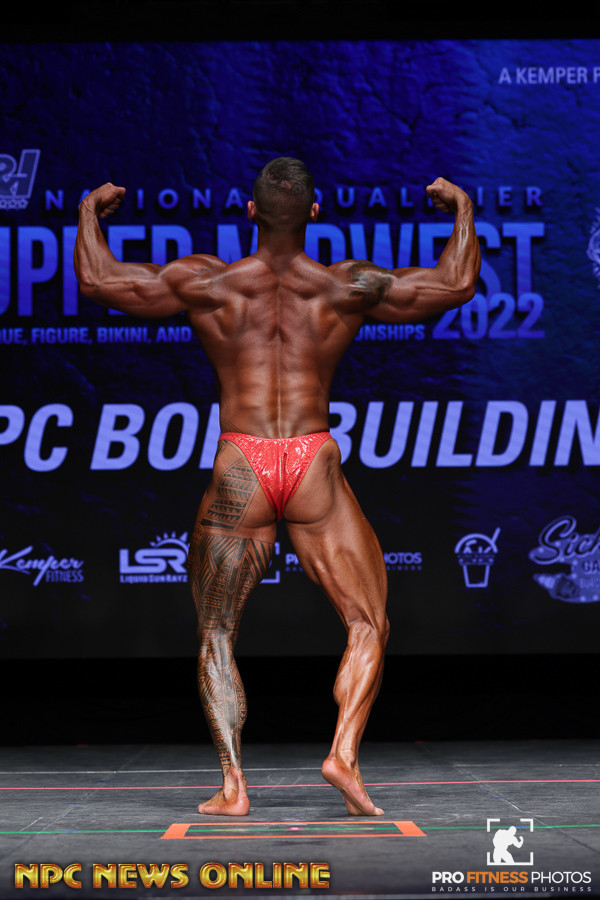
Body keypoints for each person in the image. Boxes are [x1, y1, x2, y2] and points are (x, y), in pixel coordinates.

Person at [74, 157, 480, 817]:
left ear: (250, 211)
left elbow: (98, 279)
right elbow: (455, 283)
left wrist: (90, 213)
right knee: (368, 622)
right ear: (315, 213)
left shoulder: (209, 281)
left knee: (217, 631)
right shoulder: (345, 284)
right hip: (312, 459)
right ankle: (343, 754)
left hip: (243, 463)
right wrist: (461, 208)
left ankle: (233, 787)